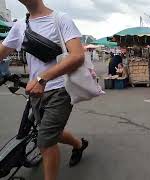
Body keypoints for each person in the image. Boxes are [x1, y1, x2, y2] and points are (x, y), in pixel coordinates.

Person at [0, 1, 89, 180]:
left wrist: (42, 78)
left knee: (45, 142)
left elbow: (77, 55)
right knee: (48, 133)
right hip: (35, 92)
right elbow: (2, 51)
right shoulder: (20, 26)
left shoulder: (61, 19)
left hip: (60, 89)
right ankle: (79, 145)